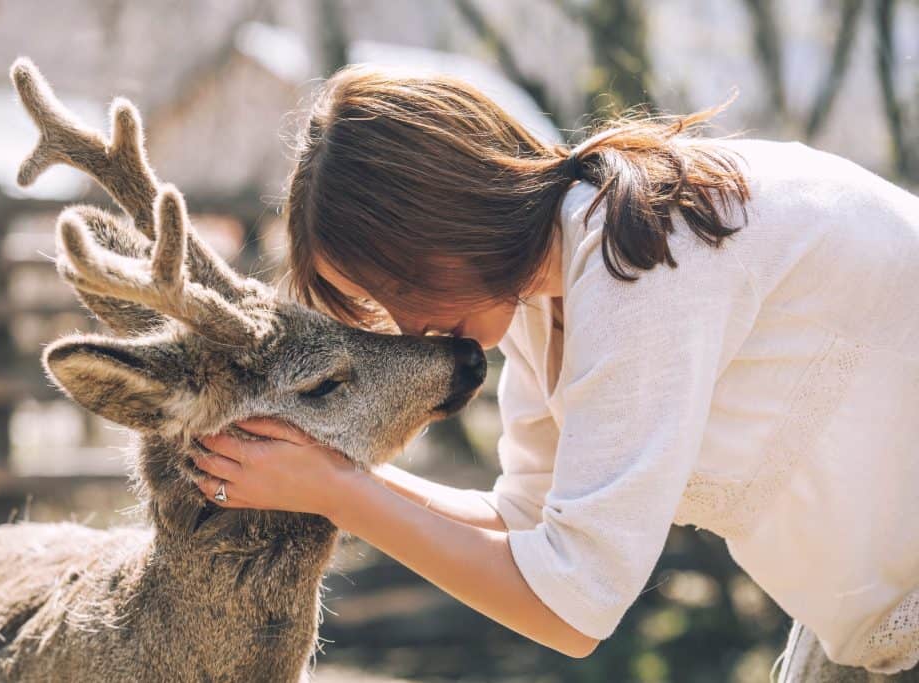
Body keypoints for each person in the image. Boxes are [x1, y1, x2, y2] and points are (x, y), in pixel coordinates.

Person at [191, 65, 919, 679]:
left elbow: (573, 605)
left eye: (402, 288)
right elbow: (525, 520)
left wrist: (338, 491)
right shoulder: (553, 289)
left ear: (441, 218)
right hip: (861, 630)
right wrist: (322, 472)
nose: (410, 327)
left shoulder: (640, 255)